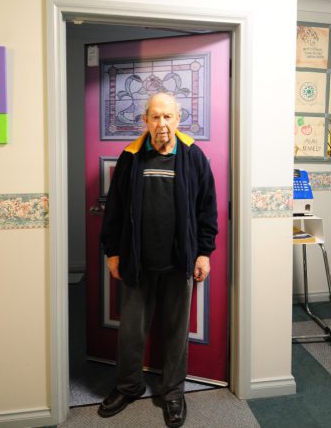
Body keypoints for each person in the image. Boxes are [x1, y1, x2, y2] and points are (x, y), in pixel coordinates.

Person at [98, 92, 218, 427]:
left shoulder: (193, 157)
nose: (162, 124)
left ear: (179, 119)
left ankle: (173, 392)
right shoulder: (131, 156)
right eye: (155, 117)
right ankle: (128, 386)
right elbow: (116, 208)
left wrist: (204, 252)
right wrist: (114, 251)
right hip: (137, 263)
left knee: (176, 332)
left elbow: (207, 208)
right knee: (131, 331)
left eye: (168, 117)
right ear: (145, 120)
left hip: (180, 262)